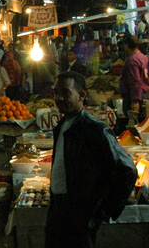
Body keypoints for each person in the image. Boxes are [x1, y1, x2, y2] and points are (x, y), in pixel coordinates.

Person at [45, 72, 137, 248]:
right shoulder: (62, 127)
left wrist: (102, 212)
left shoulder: (96, 131)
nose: (59, 98)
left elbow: (127, 171)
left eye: (65, 93)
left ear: (82, 96)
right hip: (57, 211)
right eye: (56, 93)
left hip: (80, 215)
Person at [119, 35, 149, 130]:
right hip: (145, 95)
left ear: (127, 46)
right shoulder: (144, 58)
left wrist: (135, 101)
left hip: (136, 97)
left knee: (136, 127)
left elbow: (135, 81)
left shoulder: (132, 60)